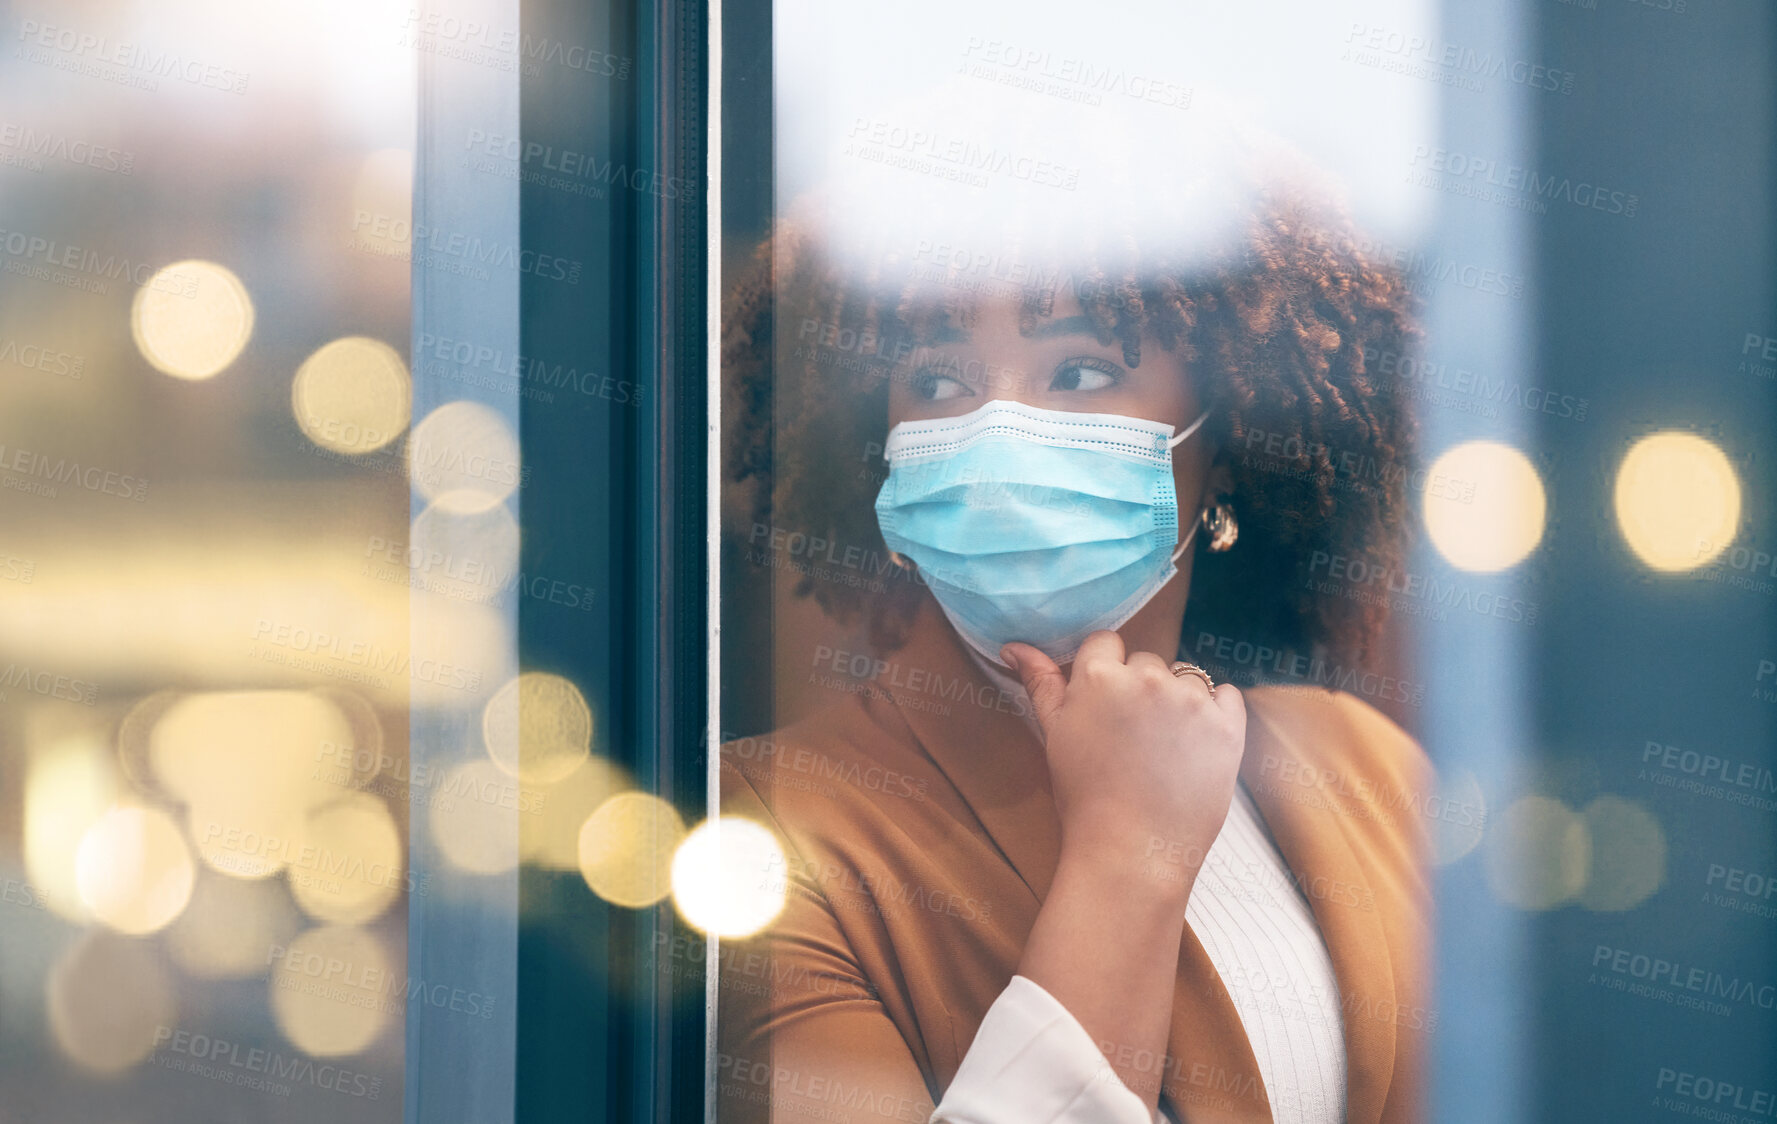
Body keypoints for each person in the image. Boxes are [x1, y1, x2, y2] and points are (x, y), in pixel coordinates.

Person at [714, 150, 1437, 1123]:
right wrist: (1127, 852)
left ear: (1226, 442)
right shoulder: (762, 832)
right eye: (935, 380)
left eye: (1080, 369)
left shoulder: (1361, 762)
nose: (999, 427)